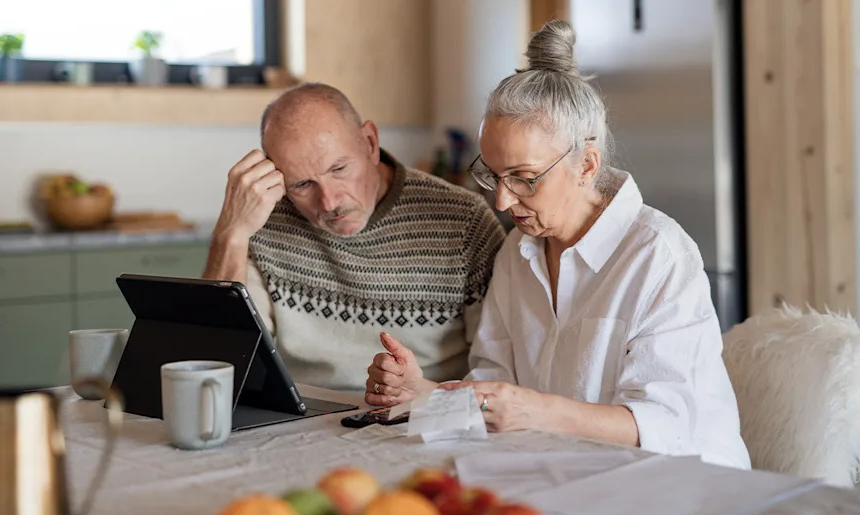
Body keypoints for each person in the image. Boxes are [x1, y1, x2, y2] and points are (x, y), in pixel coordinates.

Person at [363, 21, 750, 469]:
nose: (504, 201)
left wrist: (537, 411)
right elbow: (494, 393)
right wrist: (422, 393)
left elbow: (667, 425)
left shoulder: (657, 255)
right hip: (568, 473)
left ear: (585, 165)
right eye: (492, 175)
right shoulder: (517, 254)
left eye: (524, 179)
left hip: (687, 486)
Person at [203, 83, 506, 392]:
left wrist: (425, 393)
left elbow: (499, 374)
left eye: (339, 168)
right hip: (300, 421)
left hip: (424, 419)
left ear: (370, 143)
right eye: (303, 185)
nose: (330, 202)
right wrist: (231, 234)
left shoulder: (464, 221)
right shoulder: (264, 219)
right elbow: (219, 362)